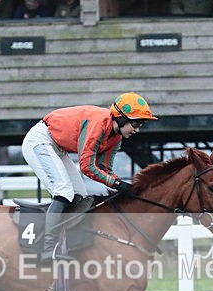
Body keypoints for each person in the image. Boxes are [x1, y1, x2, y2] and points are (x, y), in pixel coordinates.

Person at [21, 92, 158, 262]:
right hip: (40, 141)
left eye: (140, 125)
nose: (137, 130)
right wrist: (118, 184)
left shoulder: (116, 138)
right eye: (136, 123)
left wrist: (123, 185)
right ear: (122, 118)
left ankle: (68, 244)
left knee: (80, 194)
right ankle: (48, 248)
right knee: (63, 191)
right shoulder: (99, 123)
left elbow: (104, 168)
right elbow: (87, 167)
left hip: (58, 148)